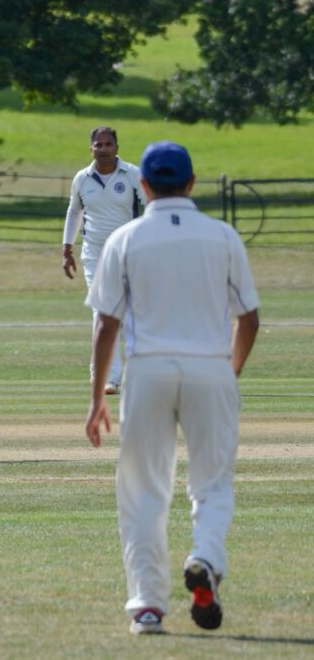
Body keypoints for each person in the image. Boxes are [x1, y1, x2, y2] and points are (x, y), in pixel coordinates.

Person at [84, 142, 260, 635]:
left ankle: (147, 607)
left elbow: (105, 325)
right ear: (192, 183)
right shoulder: (222, 236)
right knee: (212, 484)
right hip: (211, 368)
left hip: (147, 370)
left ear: (143, 187)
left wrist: (98, 397)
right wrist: (230, 371)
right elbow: (249, 318)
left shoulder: (126, 238)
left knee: (143, 491)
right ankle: (204, 558)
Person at [62, 127, 146, 395]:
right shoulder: (82, 178)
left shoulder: (133, 175)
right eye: (99, 145)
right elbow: (74, 211)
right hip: (95, 253)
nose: (104, 149)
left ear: (117, 148)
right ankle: (108, 378)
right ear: (91, 149)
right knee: (102, 312)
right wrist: (67, 247)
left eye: (109, 144)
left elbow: (151, 205)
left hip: (129, 252)